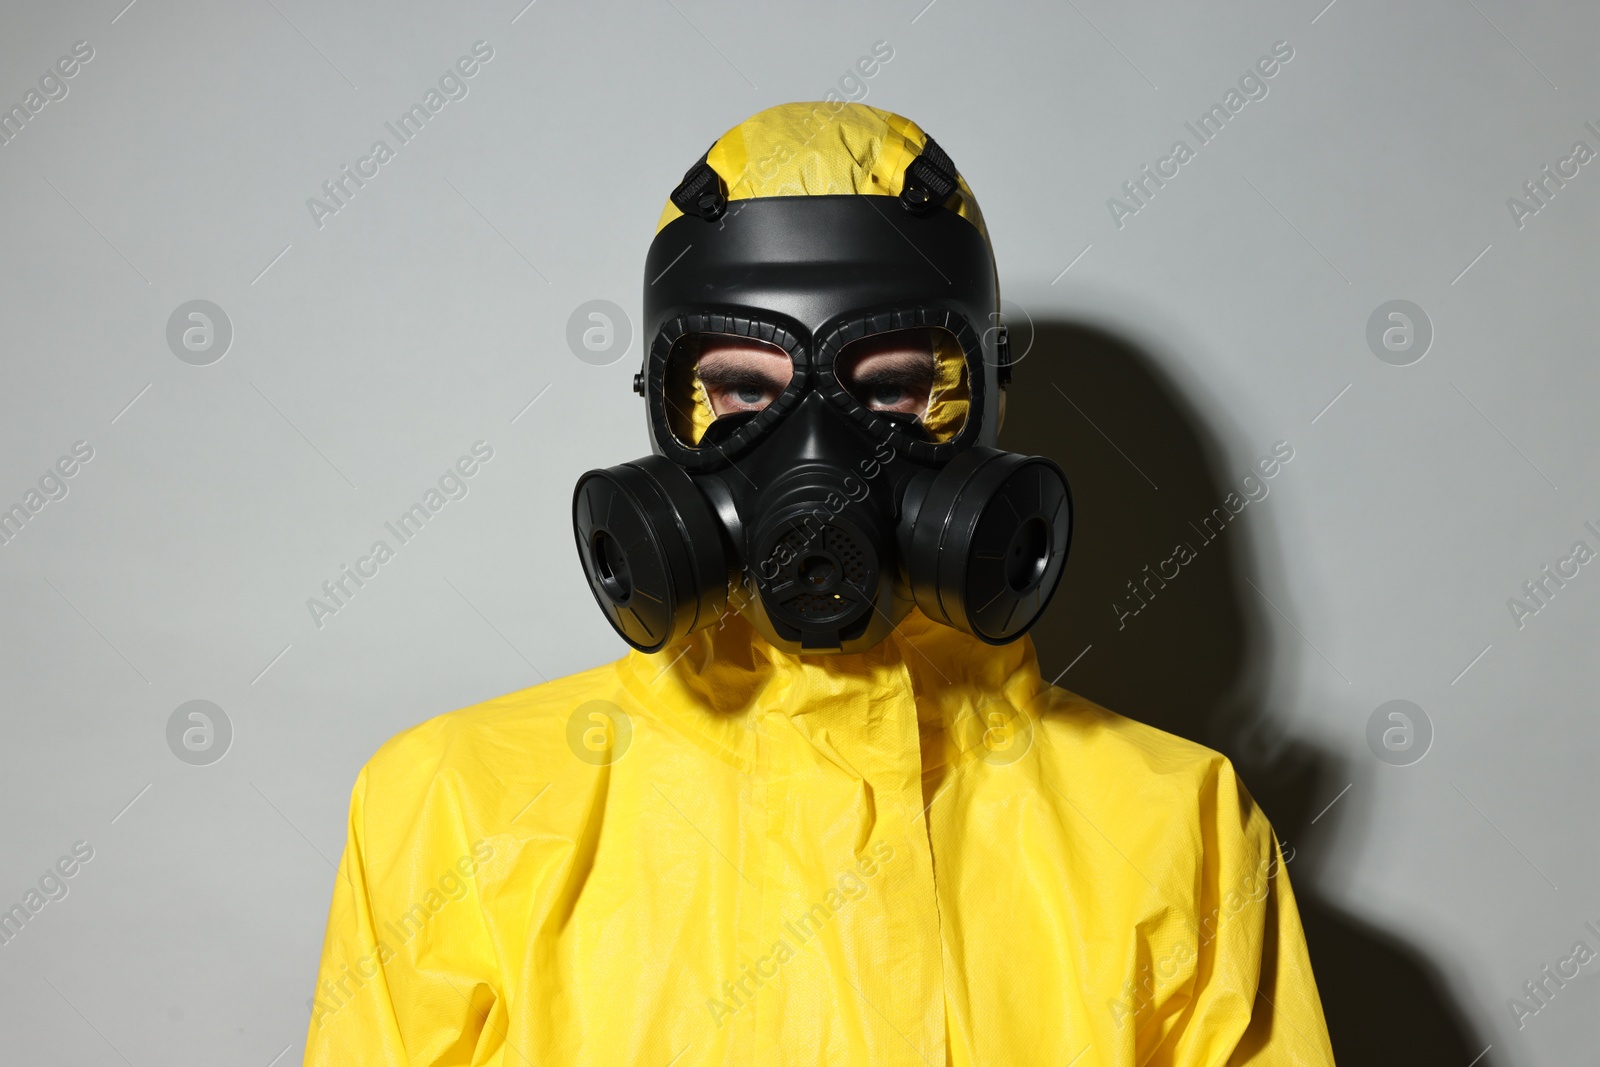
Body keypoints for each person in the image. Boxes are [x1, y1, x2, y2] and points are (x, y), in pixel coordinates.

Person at [304, 103, 1336, 1066]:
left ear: (980, 400)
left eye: (888, 386)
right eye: (742, 390)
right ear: (668, 407)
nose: (814, 455)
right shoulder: (455, 806)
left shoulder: (1175, 826)